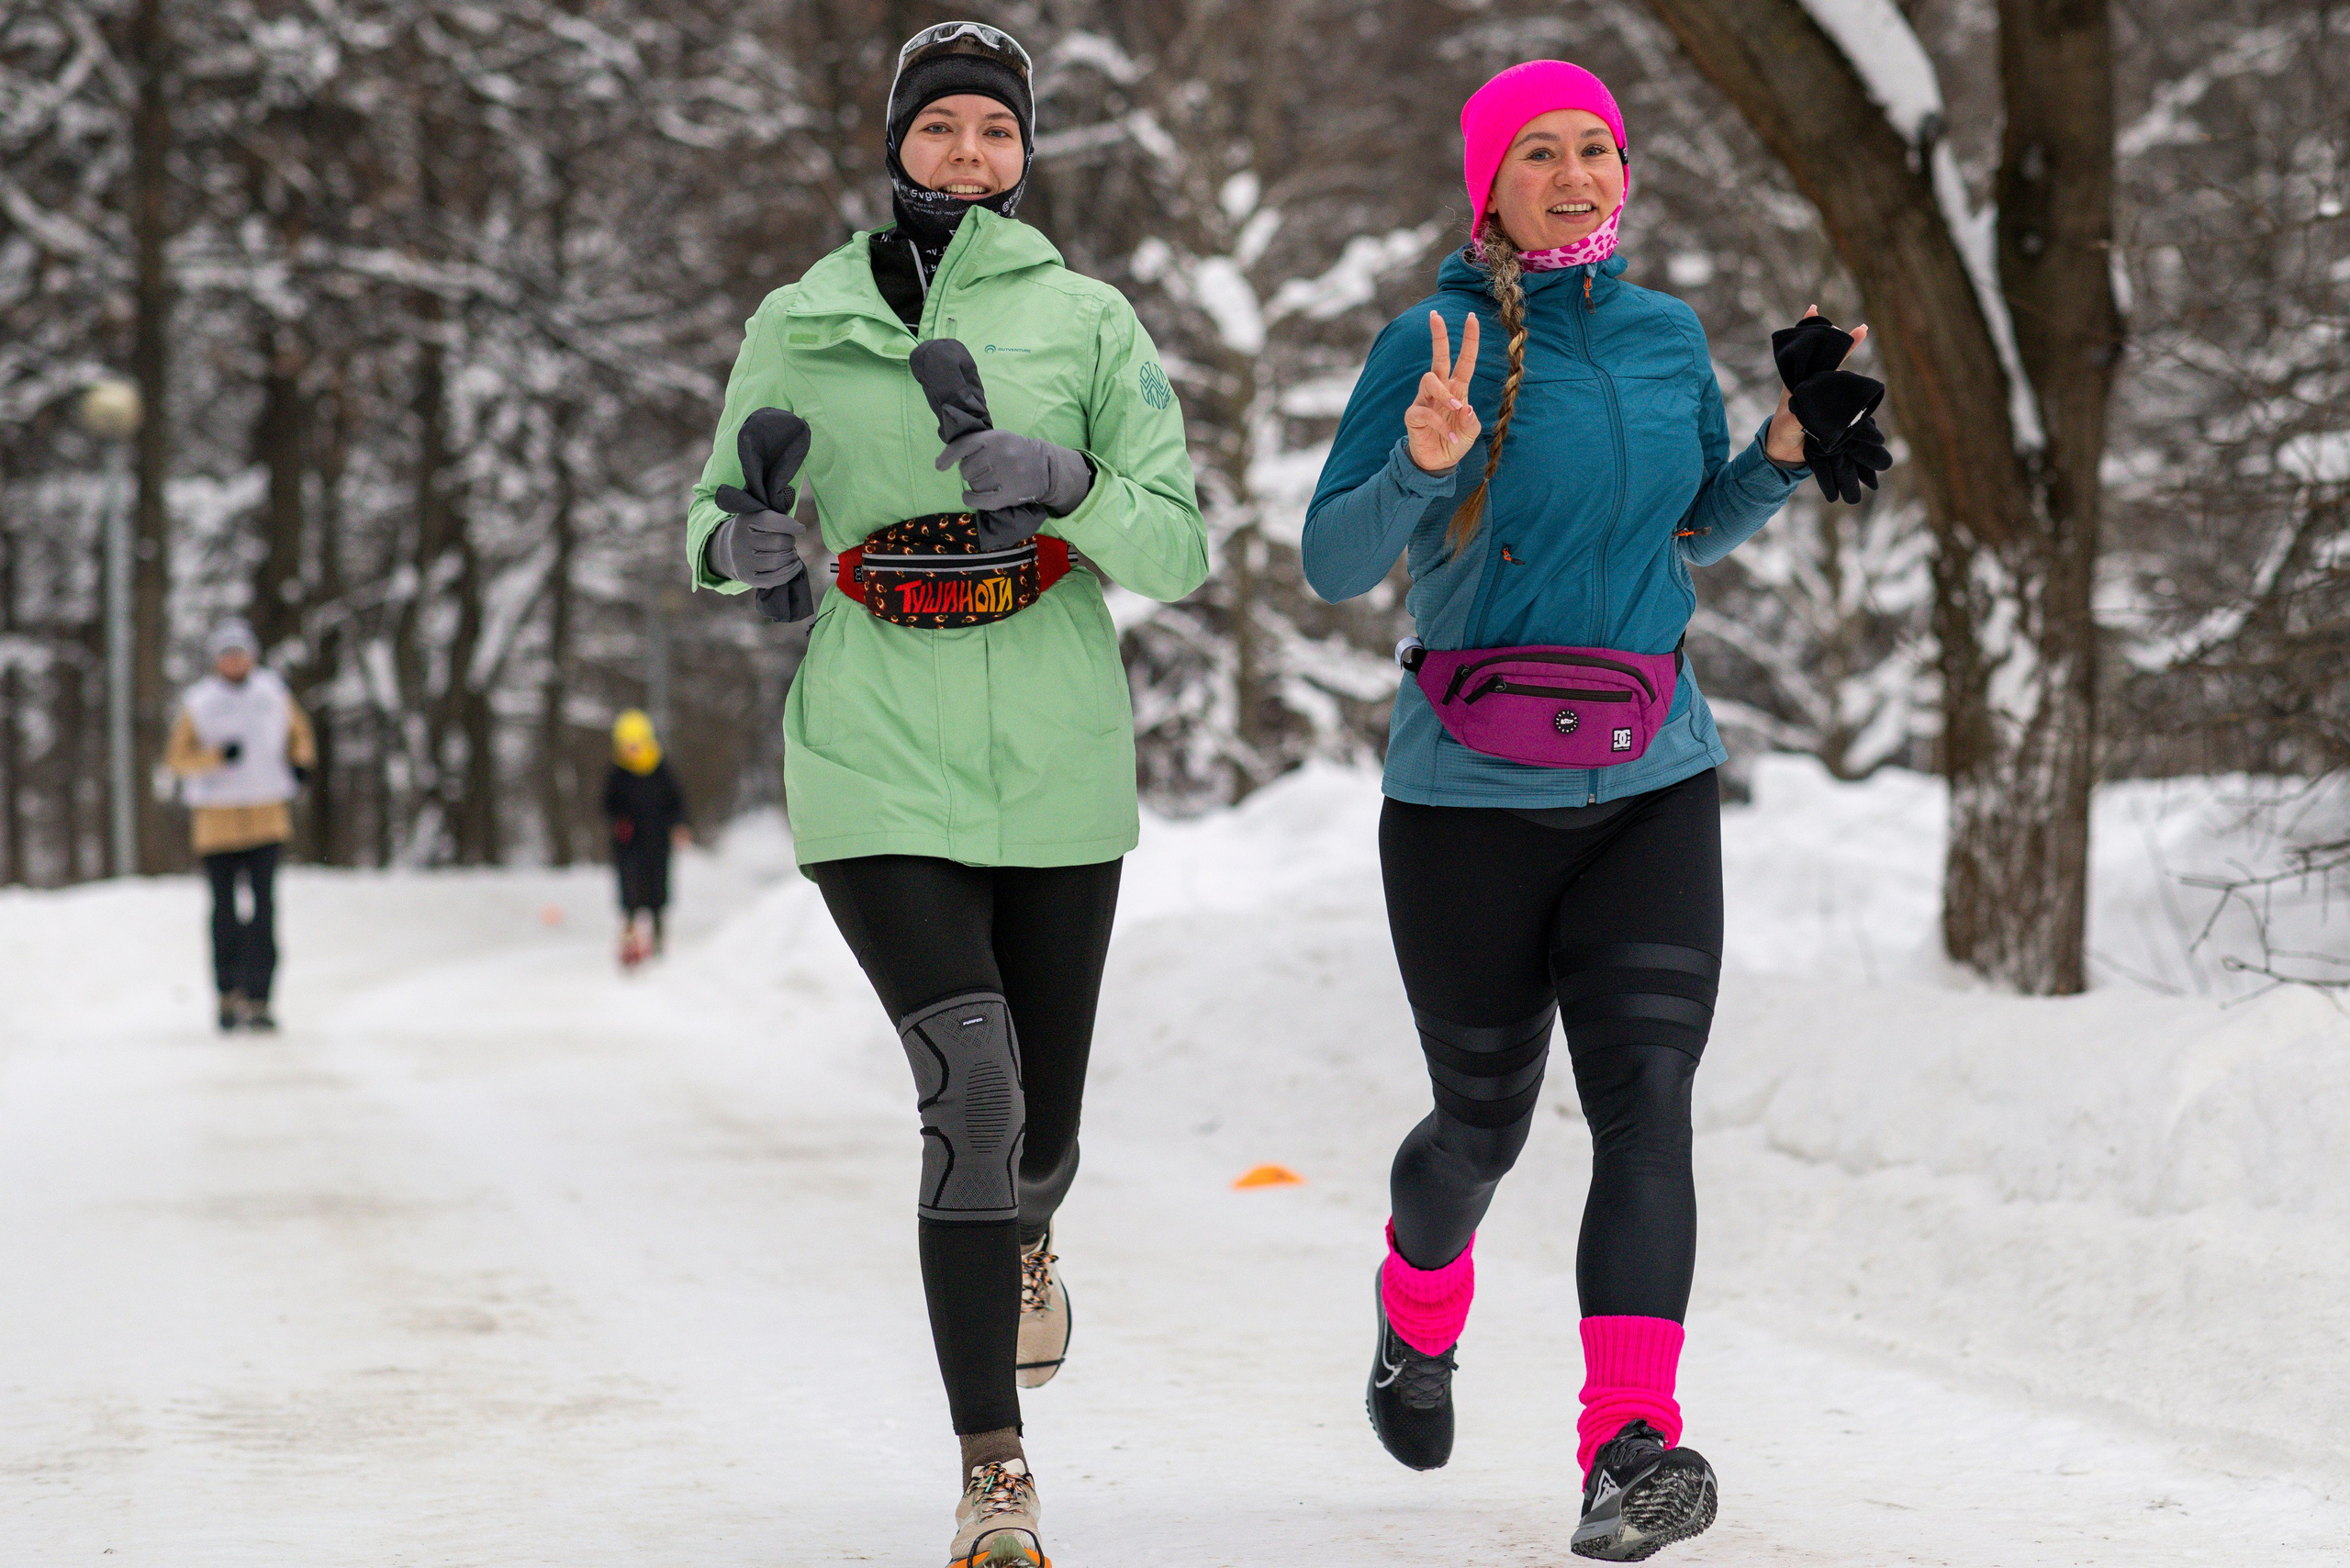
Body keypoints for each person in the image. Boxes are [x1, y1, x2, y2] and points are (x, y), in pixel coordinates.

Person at [1304, 61, 1877, 1562]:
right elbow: (1330, 560)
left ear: (1624, 173)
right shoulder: (1431, 339)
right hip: (1467, 801)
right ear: (1486, 181)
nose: (1574, 173)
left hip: (1651, 784)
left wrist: (1784, 455)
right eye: (1540, 152)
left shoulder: (1665, 334)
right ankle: (1415, 1305)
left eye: (1597, 149)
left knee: (1649, 1104)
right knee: (1478, 1130)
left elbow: (1692, 531)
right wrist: (1422, 467)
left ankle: (1627, 1447)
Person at [684, 22, 1205, 1567]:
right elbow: (713, 512)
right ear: (896, 142)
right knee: (969, 1091)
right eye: (943, 130)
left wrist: (1073, 485)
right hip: (871, 751)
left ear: (1026, 152)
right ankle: (997, 1471)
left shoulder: (1088, 319)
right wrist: (747, 548)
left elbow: (1178, 546)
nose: (969, 155)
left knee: (1038, 1129)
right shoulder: (799, 319)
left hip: (1054, 760)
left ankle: (1030, 1224)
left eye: (996, 132)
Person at [165, 618, 316, 1033]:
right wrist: (214, 758)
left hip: (267, 820)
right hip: (216, 825)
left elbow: (300, 736)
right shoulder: (199, 703)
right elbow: (177, 759)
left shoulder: (272, 693)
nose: (234, 662)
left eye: (240, 654)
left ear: (251, 656)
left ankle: (260, 997)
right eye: (226, 655)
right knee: (225, 914)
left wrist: (301, 764)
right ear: (217, 661)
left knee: (264, 911)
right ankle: (228, 993)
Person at [602, 711, 690, 961]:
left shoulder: (660, 769)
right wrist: (619, 820)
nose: (631, 750)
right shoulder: (617, 773)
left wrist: (679, 825)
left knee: (657, 887)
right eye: (626, 745)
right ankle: (630, 934)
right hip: (628, 843)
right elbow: (608, 804)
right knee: (630, 888)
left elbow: (676, 801)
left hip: (657, 840)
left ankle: (658, 932)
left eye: (635, 744)